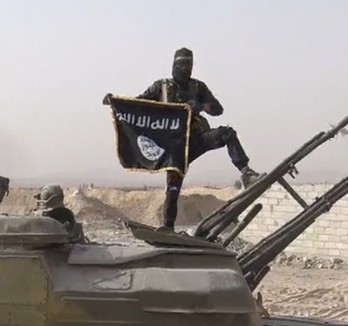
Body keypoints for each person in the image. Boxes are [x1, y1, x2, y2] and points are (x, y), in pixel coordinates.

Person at [104, 47, 262, 231]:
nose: (187, 68)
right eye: (183, 64)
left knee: (227, 133)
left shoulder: (198, 87)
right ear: (175, 65)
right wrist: (115, 102)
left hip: (198, 138)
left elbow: (218, 109)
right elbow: (138, 105)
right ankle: (168, 228)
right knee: (173, 187)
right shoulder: (161, 87)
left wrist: (201, 106)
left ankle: (246, 172)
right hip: (173, 147)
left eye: (190, 64)